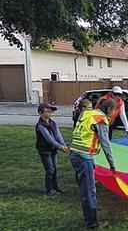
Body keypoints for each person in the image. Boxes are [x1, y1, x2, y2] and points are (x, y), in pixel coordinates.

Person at [69, 98, 117, 229]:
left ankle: (89, 218)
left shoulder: (88, 113)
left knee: (85, 189)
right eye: (114, 111)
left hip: (74, 153)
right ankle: (91, 223)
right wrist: (112, 164)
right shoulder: (100, 119)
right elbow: (105, 144)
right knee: (89, 191)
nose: (114, 114)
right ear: (108, 110)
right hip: (83, 157)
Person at [35, 102, 69, 196]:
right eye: (48, 111)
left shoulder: (53, 123)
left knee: (54, 168)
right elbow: (49, 138)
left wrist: (63, 144)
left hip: (52, 149)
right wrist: (60, 147)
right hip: (44, 150)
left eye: (51, 111)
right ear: (41, 113)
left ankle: (55, 187)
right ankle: (49, 190)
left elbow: (58, 135)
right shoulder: (40, 125)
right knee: (50, 169)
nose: (50, 113)